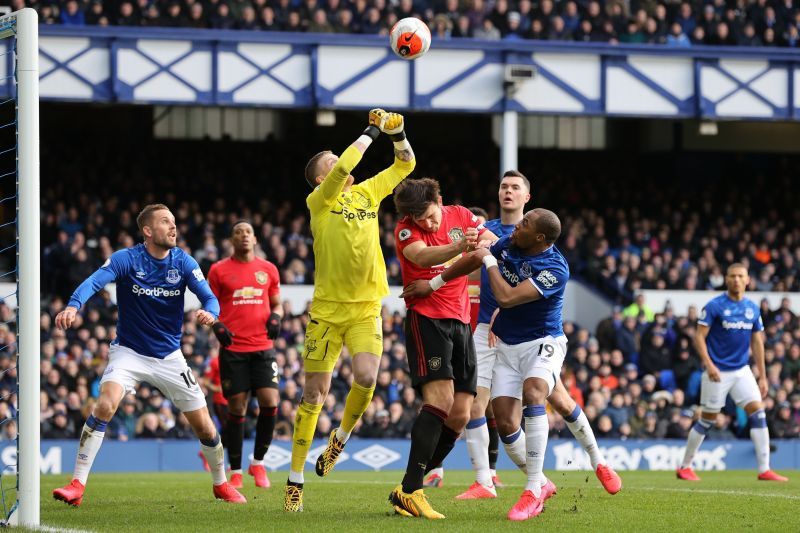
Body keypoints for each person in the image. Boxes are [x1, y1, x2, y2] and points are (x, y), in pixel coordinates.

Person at [412, 172, 621, 498]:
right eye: (504, 186)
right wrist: (439, 286)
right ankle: (487, 480)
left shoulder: (542, 247)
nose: (508, 191)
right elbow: (471, 263)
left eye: (515, 188)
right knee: (476, 406)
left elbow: (510, 291)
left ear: (527, 197)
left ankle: (598, 461)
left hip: (534, 337)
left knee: (559, 400)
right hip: (487, 330)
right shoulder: (493, 233)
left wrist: (498, 293)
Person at [52, 204, 246, 506]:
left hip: (169, 357)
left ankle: (221, 484)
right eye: (165, 222)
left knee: (206, 427)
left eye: (174, 221)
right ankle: (77, 485)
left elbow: (209, 297)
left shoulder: (183, 262)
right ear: (147, 231)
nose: (173, 227)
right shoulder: (127, 259)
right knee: (105, 404)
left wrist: (211, 313)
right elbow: (93, 282)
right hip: (129, 352)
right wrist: (73, 305)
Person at [284, 109, 415, 512]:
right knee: (314, 393)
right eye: (331, 163)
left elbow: (406, 164)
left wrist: (397, 133)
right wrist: (371, 130)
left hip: (365, 308)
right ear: (324, 177)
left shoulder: (368, 193)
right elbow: (344, 164)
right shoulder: (319, 200)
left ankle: (339, 439)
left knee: (366, 377)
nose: (339, 164)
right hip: (326, 311)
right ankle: (295, 481)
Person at [389, 177, 497, 519]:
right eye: (420, 220)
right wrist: (459, 247)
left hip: (461, 320)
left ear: (440, 199)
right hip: (426, 318)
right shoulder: (405, 230)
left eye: (431, 217)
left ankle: (411, 484)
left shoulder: (462, 215)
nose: (428, 224)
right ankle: (411, 490)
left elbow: (488, 242)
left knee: (462, 412)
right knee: (439, 400)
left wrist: (483, 239)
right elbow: (422, 257)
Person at [474, 208, 569, 520]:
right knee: (505, 423)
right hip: (508, 345)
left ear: (540, 237)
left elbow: (508, 297)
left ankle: (531, 489)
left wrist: (488, 260)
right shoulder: (511, 243)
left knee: (535, 391)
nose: (519, 224)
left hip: (543, 341)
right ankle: (542, 482)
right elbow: (480, 253)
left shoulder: (555, 268)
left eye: (525, 222)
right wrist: (435, 282)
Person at [677, 264, 788, 482]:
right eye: (732, 276)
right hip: (717, 371)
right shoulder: (714, 306)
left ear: (748, 280)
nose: (736, 280)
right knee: (708, 419)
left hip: (741, 370)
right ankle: (685, 466)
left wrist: (763, 377)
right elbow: (699, 337)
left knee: (758, 411)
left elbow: (757, 342)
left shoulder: (752, 308)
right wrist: (709, 365)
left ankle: (764, 469)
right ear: (726, 279)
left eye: (740, 276)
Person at [208, 220, 283, 489]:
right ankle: (236, 470)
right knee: (237, 408)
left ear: (254, 238)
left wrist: (276, 317)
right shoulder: (218, 270)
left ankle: (258, 464)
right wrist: (215, 324)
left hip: (263, 348)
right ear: (232, 239)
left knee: (270, 402)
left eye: (248, 232)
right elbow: (209, 306)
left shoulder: (268, 270)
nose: (244, 236)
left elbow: (277, 304)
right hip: (233, 350)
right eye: (238, 232)